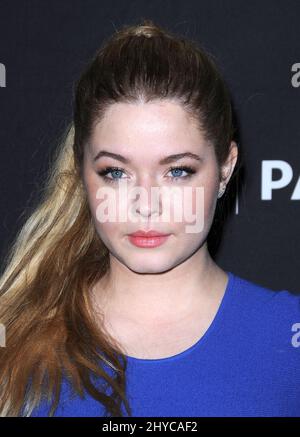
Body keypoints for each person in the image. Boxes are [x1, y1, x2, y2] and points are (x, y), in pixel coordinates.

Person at [0, 19, 299, 418]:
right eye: (116, 172)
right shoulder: (14, 343)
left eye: (177, 171)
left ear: (225, 169)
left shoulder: (288, 339)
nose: (146, 205)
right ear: (80, 171)